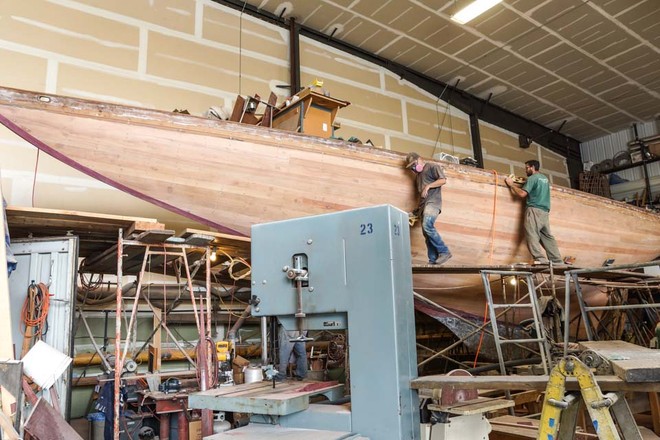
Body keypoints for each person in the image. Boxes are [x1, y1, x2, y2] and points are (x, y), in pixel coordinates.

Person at [504, 160, 562, 265]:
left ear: (532, 167)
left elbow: (522, 194)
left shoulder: (532, 178)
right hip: (544, 212)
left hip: (534, 210)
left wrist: (511, 185)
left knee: (531, 234)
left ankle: (541, 259)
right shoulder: (544, 178)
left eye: (527, 168)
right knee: (547, 237)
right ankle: (558, 261)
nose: (525, 170)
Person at [404, 152, 452, 265]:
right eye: (411, 167)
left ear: (420, 159)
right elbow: (422, 197)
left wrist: (428, 186)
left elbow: (443, 180)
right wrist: (416, 211)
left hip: (433, 203)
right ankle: (433, 259)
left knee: (427, 226)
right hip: (424, 206)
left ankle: (444, 251)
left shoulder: (431, 166)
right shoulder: (418, 178)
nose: (413, 168)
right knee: (426, 233)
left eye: (414, 164)